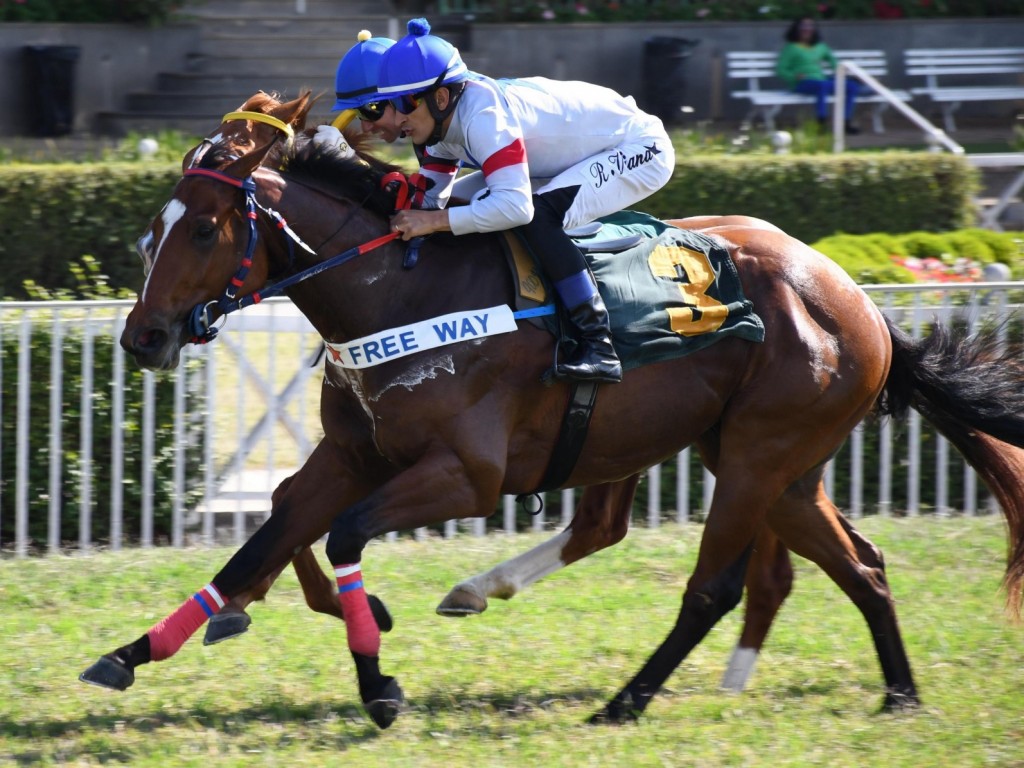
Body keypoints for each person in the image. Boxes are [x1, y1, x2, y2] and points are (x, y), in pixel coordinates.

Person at [371, 18, 675, 384]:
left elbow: (515, 207)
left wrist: (432, 222)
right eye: (389, 104)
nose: (397, 116)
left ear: (439, 97)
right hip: (569, 155)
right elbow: (427, 204)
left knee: (535, 216)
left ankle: (598, 344)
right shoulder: (439, 125)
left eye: (404, 103)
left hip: (638, 146)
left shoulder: (484, 118)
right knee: (463, 207)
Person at [776, 16, 861, 134]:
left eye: (810, 26)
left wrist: (840, 72)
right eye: (803, 26)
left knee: (851, 86)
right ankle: (821, 123)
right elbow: (781, 69)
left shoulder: (821, 47)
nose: (807, 29)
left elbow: (833, 62)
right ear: (797, 29)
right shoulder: (790, 48)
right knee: (822, 86)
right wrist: (794, 75)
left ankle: (845, 122)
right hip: (802, 83)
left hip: (821, 81)